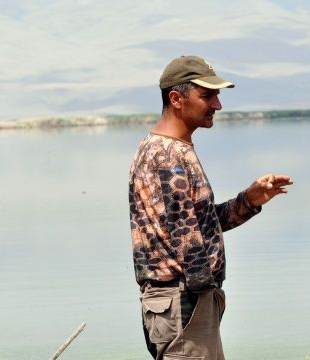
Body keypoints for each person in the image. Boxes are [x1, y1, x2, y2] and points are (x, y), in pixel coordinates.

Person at [128, 55, 293, 360]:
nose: (217, 104)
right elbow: (187, 241)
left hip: (183, 303)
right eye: (207, 95)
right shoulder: (167, 156)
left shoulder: (167, 149)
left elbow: (193, 226)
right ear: (176, 99)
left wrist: (249, 200)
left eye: (216, 95)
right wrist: (205, 297)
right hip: (183, 303)